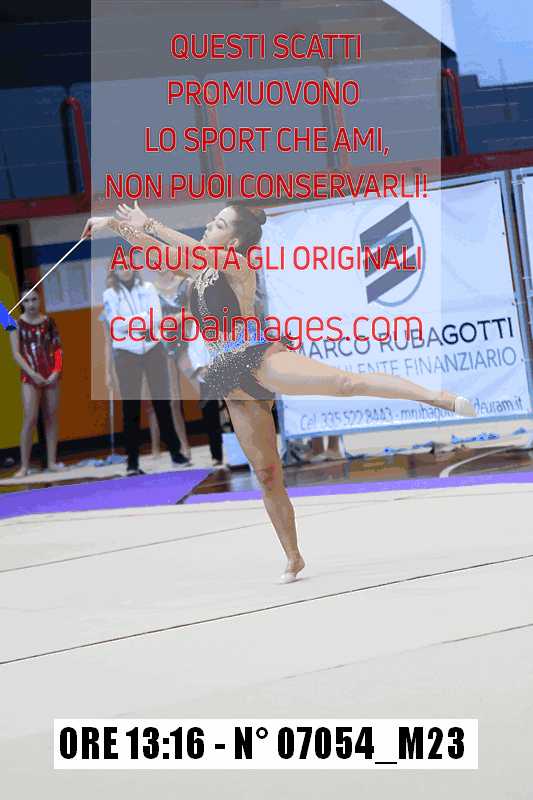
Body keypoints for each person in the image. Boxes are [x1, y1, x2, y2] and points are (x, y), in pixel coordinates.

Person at [83, 203, 476, 582]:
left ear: (233, 241)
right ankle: (293, 554)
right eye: (213, 220)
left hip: (258, 358)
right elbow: (152, 250)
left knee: (346, 384)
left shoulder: (238, 264)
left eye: (218, 224)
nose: (208, 226)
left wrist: (150, 223)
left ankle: (434, 396)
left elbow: (175, 244)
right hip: (230, 377)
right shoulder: (198, 269)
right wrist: (111, 225)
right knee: (267, 474)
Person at [101, 263, 190, 475]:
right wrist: (143, 319)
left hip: (152, 349)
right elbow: (116, 324)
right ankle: (132, 462)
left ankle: (175, 453)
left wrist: (131, 323)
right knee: (131, 409)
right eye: (120, 267)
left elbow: (156, 318)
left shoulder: (148, 288)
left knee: (162, 404)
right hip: (126, 354)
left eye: (128, 266)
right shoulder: (109, 295)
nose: (125, 270)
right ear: (114, 271)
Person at [9, 283, 63, 477]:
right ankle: (24, 466)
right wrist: (32, 374)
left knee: (51, 417)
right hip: (29, 376)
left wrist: (56, 371)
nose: (31, 304)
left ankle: (51, 462)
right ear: (21, 303)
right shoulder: (14, 323)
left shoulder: (49, 322)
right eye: (26, 301)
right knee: (30, 418)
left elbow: (58, 349)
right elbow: (16, 354)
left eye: (34, 299)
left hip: (50, 374)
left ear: (40, 300)